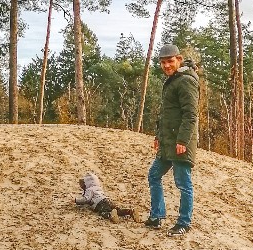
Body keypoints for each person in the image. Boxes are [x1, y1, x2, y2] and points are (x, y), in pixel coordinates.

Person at [144, 44, 200, 237]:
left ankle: (184, 222)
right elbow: (166, 115)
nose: (166, 65)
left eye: (170, 61)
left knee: (183, 183)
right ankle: (157, 216)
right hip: (168, 142)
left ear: (179, 59)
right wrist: (158, 136)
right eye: (163, 62)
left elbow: (191, 115)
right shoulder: (172, 81)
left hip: (180, 143)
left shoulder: (185, 81)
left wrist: (183, 141)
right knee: (154, 175)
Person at [75, 172, 142, 223]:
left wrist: (76, 200)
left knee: (103, 212)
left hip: (99, 203)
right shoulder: (99, 188)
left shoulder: (89, 190)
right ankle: (130, 211)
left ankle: (110, 215)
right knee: (118, 210)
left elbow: (87, 199)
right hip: (106, 200)